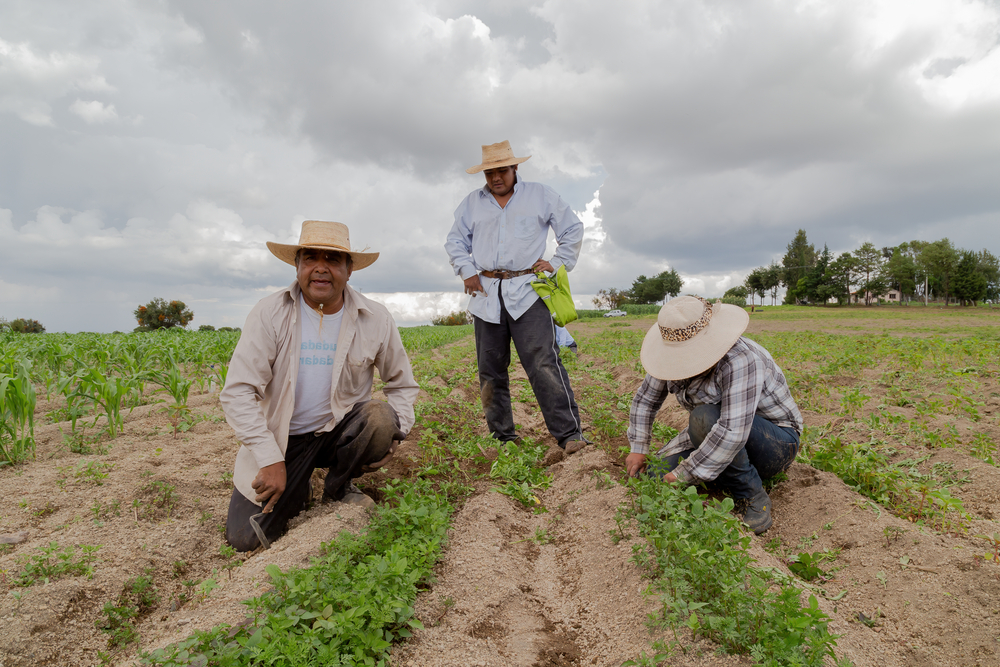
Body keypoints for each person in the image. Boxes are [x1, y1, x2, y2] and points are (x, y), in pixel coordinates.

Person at [221, 220, 419, 551]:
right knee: (247, 539)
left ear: (349, 269)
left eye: (333, 259)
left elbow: (401, 384)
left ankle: (339, 487)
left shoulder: (376, 318)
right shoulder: (270, 313)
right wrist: (270, 459)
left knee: (380, 418)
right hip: (283, 442)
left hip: (338, 433)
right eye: (311, 258)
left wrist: (397, 433)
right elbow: (238, 391)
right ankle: (298, 486)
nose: (320, 269)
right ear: (297, 265)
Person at [445, 140, 587, 453]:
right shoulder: (471, 204)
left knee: (543, 362)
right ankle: (503, 438)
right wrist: (467, 270)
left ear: (515, 168)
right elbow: (455, 241)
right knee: (490, 370)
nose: (496, 177)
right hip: (486, 294)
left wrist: (556, 263)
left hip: (527, 291)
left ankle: (569, 435)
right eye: (490, 172)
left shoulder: (540, 195)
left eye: (502, 171)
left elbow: (572, 229)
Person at [625, 295, 802, 534]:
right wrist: (638, 448)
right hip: (718, 432)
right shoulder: (670, 359)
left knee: (704, 417)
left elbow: (732, 432)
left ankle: (751, 495)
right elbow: (646, 400)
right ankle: (718, 472)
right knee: (654, 476)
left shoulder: (740, 359)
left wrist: (683, 474)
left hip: (774, 442)